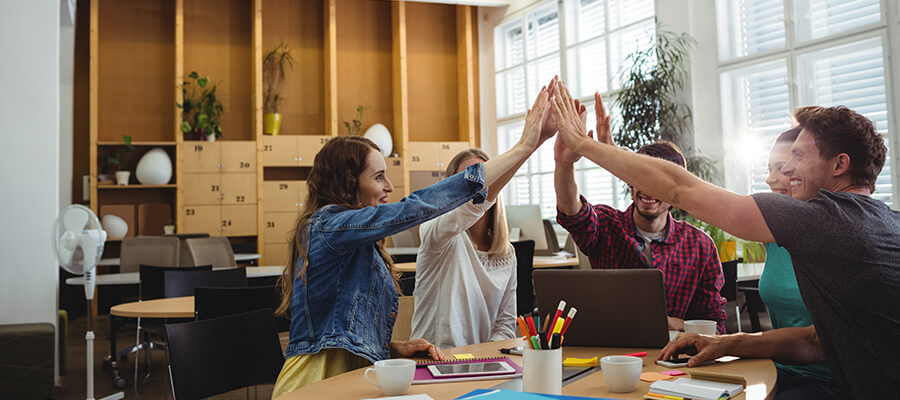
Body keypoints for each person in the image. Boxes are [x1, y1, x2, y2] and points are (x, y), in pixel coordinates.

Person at [550, 79, 900, 398]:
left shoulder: (823, 219)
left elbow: (679, 186)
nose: (786, 171)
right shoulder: (883, 221)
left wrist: (583, 145)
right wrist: (723, 343)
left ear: (839, 165)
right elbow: (815, 341)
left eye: (798, 156)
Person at [271, 85, 557, 396]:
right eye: (378, 176)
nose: (389, 186)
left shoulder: (358, 244)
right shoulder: (326, 227)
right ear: (349, 182)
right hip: (312, 386)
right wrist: (523, 147)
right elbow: (415, 207)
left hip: (355, 380)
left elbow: (344, 333)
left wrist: (395, 348)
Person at [552, 93, 726, 333]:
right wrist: (564, 164)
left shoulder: (700, 245)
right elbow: (573, 212)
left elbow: (715, 327)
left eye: (659, 184)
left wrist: (672, 325)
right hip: (613, 348)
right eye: (641, 178)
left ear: (677, 193)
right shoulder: (606, 225)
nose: (648, 189)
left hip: (674, 356)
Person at [410, 148, 518, 349]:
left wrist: (482, 356)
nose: (476, 184)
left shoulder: (507, 253)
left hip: (481, 364)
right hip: (434, 362)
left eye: (483, 175)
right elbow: (470, 209)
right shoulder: (439, 233)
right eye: (466, 179)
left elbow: (505, 326)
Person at [758, 127, 835, 397]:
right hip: (778, 370)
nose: (770, 180)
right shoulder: (771, 235)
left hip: (832, 381)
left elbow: (817, 342)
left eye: (781, 168)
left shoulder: (840, 237)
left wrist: (730, 343)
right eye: (769, 169)